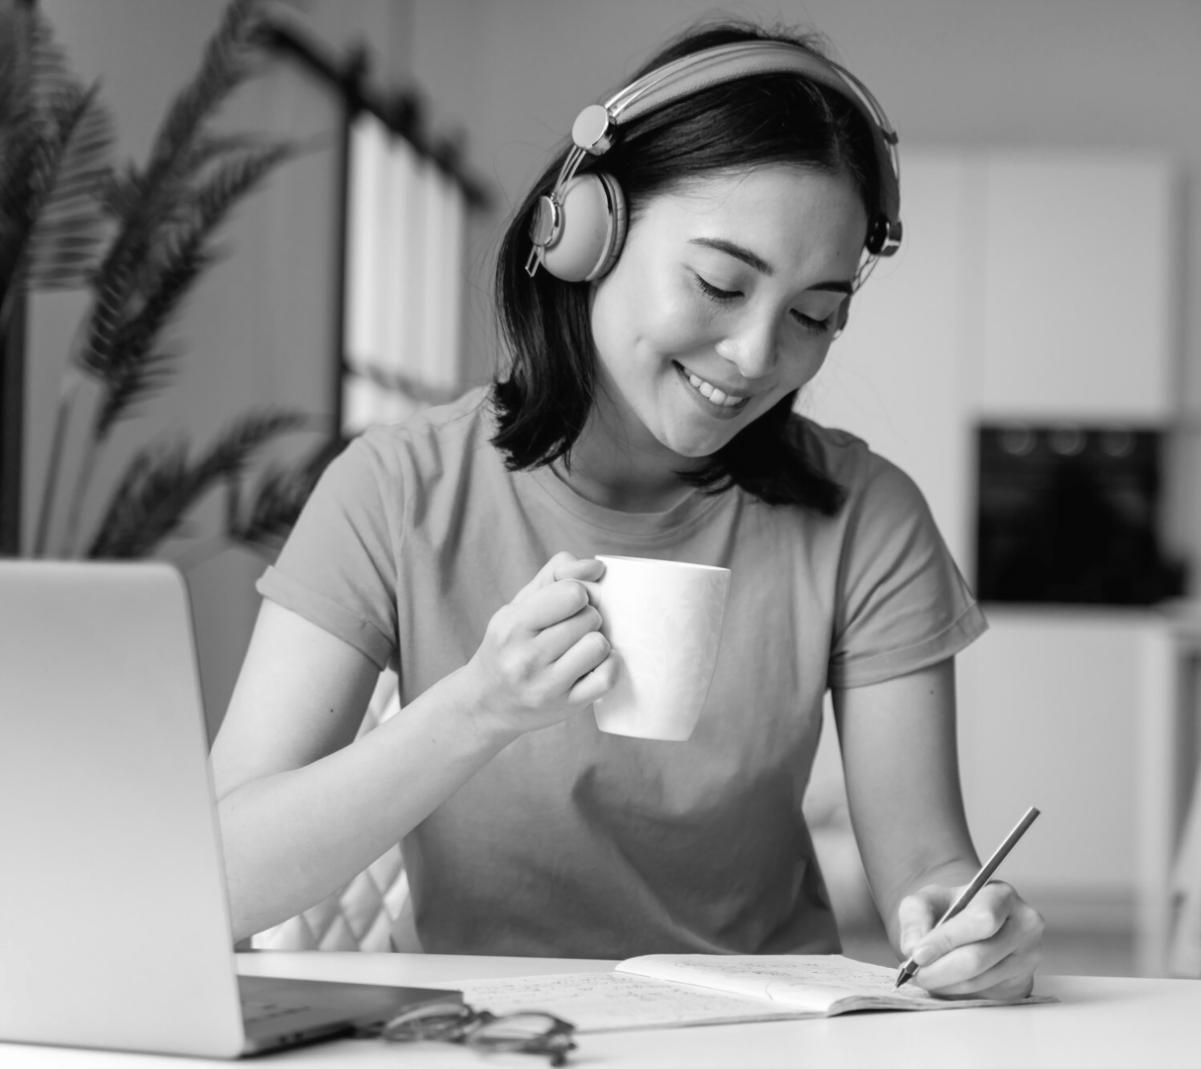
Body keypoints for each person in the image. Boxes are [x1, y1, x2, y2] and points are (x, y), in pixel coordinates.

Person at [210, 17, 1044, 999]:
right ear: (585, 233)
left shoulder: (867, 519)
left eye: (814, 314)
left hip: (766, 1036)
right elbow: (214, 877)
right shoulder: (397, 489)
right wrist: (477, 708)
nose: (752, 356)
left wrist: (973, 928)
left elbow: (927, 872)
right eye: (718, 283)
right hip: (493, 1031)